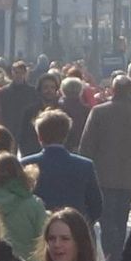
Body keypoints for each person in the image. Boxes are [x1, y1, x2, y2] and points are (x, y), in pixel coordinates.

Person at [76, 82, 131, 261]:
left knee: (107, 219)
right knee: (121, 217)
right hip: (129, 177)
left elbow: (86, 146)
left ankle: (110, 252)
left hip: (102, 176)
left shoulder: (99, 112)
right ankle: (117, 256)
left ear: (113, 90)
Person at [24, 105, 101, 251]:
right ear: (66, 135)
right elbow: (96, 205)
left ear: (39, 136)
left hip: (39, 234)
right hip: (76, 231)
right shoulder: (85, 165)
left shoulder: (27, 164)